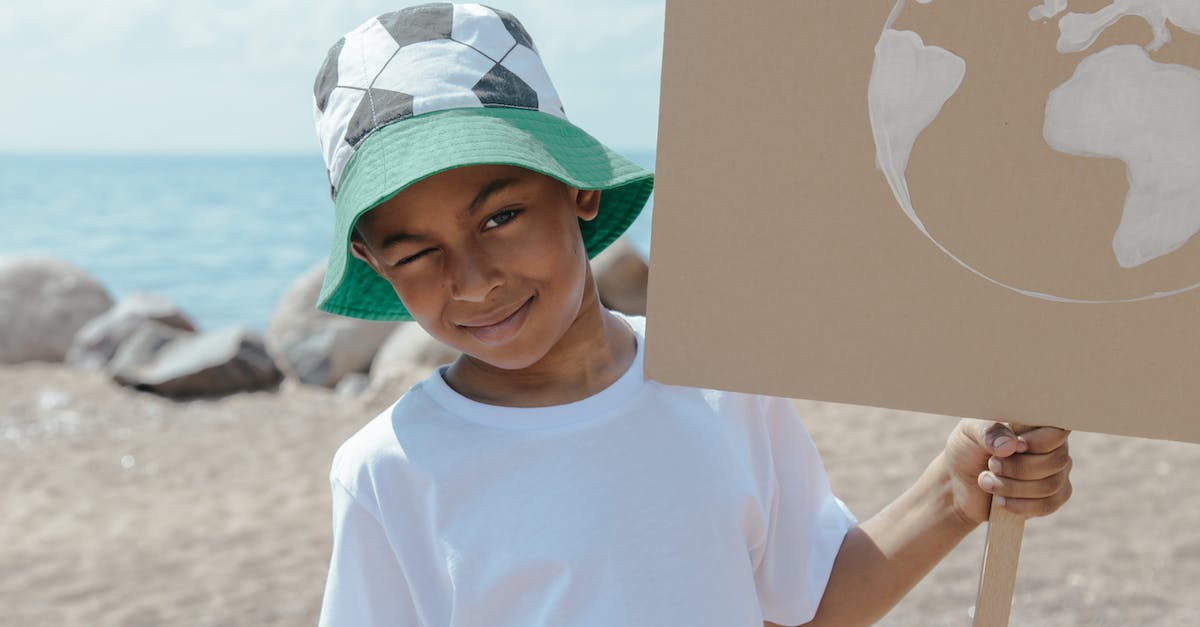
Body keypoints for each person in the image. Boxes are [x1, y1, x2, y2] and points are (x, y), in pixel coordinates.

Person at [311, 4, 1073, 626]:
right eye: (416, 253)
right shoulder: (388, 473)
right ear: (375, 264)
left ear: (581, 190)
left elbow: (810, 599)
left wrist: (956, 487)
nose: (472, 282)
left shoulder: (718, 379)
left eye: (500, 216)